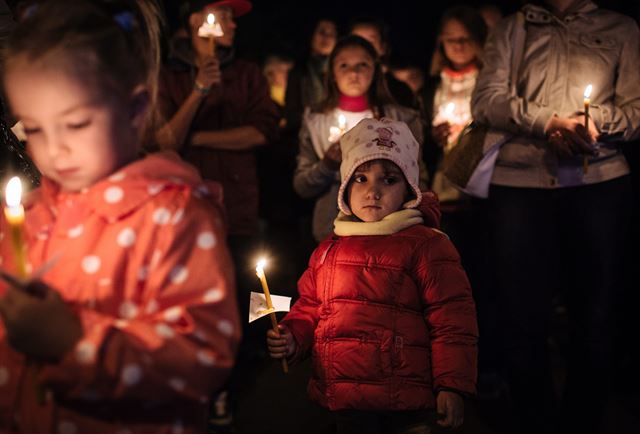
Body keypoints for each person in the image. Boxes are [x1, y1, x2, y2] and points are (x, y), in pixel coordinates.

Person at [0, 1, 240, 433]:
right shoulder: (31, 214)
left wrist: (74, 343)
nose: (55, 149)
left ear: (134, 109)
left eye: (75, 124)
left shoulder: (174, 219)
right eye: (34, 128)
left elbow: (202, 356)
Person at [471, 1, 640, 433]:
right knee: (521, 314)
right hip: (521, 187)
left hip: (597, 185)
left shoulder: (620, 27)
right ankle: (535, 421)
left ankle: (582, 422)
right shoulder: (512, 28)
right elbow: (486, 100)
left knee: (595, 315)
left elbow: (636, 111)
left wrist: (592, 123)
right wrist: (549, 123)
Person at [268, 118, 478, 434]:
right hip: (346, 399)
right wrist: (293, 336)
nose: (373, 191)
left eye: (389, 180)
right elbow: (310, 307)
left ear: (409, 188)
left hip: (409, 403)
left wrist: (451, 385)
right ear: (344, 188)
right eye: (361, 178)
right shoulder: (328, 250)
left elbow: (452, 320)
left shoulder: (427, 245)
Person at [293, 35, 427, 242]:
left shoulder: (401, 120)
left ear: (376, 70)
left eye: (362, 65)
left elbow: (419, 180)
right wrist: (327, 165)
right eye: (344, 65)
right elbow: (302, 186)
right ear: (331, 74)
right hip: (332, 233)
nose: (354, 72)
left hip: (392, 232)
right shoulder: (315, 121)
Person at [284, 17, 338, 134]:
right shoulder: (299, 72)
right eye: (322, 32)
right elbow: (291, 113)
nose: (326, 37)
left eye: (331, 34)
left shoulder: (340, 72)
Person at [349, 16, 416, 109]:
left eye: (370, 41)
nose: (363, 47)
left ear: (383, 47)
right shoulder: (338, 81)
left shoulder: (397, 85)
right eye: (356, 40)